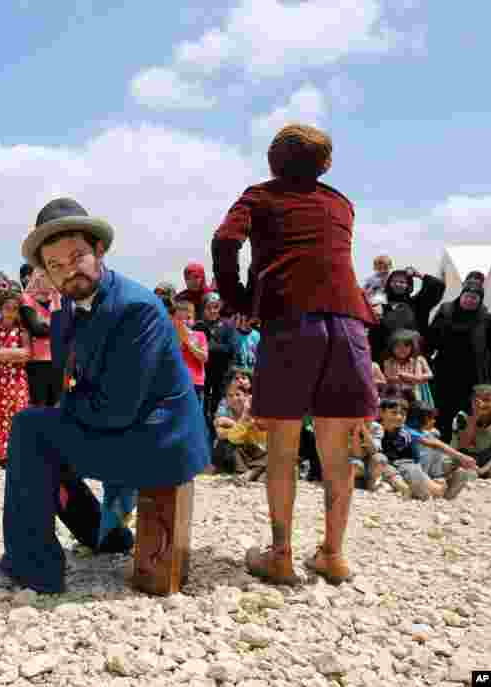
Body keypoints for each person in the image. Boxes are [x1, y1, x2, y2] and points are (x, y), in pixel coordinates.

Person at [0, 198, 208, 594]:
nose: (67, 271)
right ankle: (104, 535)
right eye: (54, 266)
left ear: (100, 250)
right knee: (43, 432)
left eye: (76, 257)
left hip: (158, 439)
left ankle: (32, 566)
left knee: (30, 429)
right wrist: (60, 323)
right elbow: (70, 383)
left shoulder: (136, 307)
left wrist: (65, 411)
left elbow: (114, 410)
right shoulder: (69, 311)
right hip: (129, 427)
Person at [212, 124, 377, 585]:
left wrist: (239, 297)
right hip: (347, 321)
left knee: (283, 447)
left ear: (271, 161)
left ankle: (281, 554)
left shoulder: (259, 197)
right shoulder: (341, 202)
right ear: (325, 165)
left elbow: (226, 240)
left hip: (289, 317)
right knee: (337, 448)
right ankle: (333, 554)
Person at [427, 281, 491, 440]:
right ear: (461, 296)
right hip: (445, 372)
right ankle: (442, 444)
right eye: (467, 296)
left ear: (480, 300)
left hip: (473, 375)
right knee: (443, 411)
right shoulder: (446, 311)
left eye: (475, 298)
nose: (470, 300)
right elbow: (431, 338)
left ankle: (467, 447)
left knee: (470, 413)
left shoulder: (486, 319)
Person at [0, 291, 30, 464]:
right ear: (1, 309)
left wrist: (0, 353)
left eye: (14, 308)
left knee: (16, 414)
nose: (10, 311)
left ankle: (16, 453)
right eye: (7, 307)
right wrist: (14, 354)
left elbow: (27, 354)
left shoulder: (23, 330)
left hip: (17, 379)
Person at [372, 267, 445, 361]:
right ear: (388, 284)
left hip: (415, 361)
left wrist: (418, 275)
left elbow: (437, 285)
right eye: (394, 281)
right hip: (387, 361)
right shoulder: (380, 307)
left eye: (402, 282)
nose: (398, 284)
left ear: (409, 285)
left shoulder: (418, 304)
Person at [20, 268, 61, 408]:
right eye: (45, 276)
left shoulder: (56, 297)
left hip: (57, 360)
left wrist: (48, 326)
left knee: (56, 406)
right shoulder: (27, 299)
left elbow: (66, 326)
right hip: (36, 362)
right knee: (39, 406)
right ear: (37, 278)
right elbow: (36, 329)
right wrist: (56, 327)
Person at [195, 292, 237, 427]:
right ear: (203, 309)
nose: (213, 311)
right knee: (201, 407)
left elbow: (230, 349)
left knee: (218, 407)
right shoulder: (198, 326)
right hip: (203, 375)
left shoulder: (227, 326)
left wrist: (208, 347)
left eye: (216, 307)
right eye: (209, 307)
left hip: (221, 374)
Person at [383, 330, 434, 406]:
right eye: (398, 346)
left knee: (418, 412)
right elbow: (388, 378)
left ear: (412, 347)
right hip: (397, 395)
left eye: (406, 346)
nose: (402, 349)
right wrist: (411, 378)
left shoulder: (419, 359)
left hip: (417, 394)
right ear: (391, 348)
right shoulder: (389, 362)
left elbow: (430, 375)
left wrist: (412, 377)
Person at [172, 298, 208, 406]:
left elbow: (204, 357)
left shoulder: (200, 335)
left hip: (195, 382)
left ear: (194, 319)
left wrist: (188, 342)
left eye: (188, 318)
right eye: (180, 318)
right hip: (176, 381)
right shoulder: (170, 336)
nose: (184, 321)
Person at [451, 385, 491, 478]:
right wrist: (475, 417)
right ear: (472, 402)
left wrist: (484, 469)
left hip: (487, 458)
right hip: (466, 457)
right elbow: (463, 444)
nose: (482, 404)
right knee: (468, 475)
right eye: (477, 401)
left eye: (487, 400)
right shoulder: (462, 417)